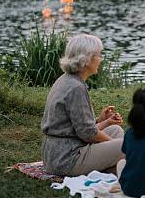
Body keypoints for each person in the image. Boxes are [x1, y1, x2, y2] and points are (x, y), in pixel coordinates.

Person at [41, 34, 124, 176]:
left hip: (57, 153)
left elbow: (79, 127)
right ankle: (120, 167)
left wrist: (99, 121)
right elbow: (88, 134)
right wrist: (113, 145)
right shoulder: (76, 88)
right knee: (125, 146)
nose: (101, 59)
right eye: (98, 55)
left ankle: (116, 167)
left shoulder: (67, 80)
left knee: (115, 129)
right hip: (66, 159)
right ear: (86, 59)